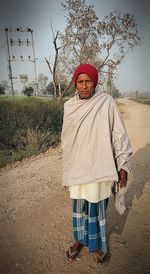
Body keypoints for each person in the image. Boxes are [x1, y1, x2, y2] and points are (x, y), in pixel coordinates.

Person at [61, 63, 132, 265]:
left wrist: (122, 166)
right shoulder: (69, 106)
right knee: (78, 208)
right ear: (76, 84)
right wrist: (66, 170)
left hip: (100, 167)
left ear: (95, 83)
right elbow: (66, 141)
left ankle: (97, 244)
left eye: (88, 81)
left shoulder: (106, 102)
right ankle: (78, 241)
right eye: (80, 82)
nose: (84, 86)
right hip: (77, 169)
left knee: (96, 208)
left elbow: (118, 134)